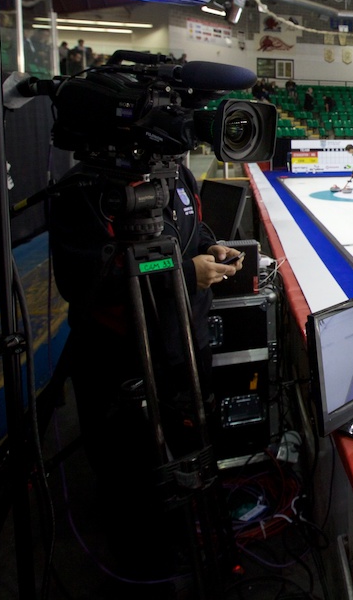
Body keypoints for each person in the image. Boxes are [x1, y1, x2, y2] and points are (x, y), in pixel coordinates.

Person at [51, 158, 243, 585]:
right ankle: (146, 573)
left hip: (185, 348)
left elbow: (194, 230)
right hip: (121, 358)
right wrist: (180, 271)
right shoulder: (85, 188)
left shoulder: (177, 173)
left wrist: (209, 249)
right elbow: (90, 280)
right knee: (132, 486)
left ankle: (183, 546)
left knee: (187, 456)